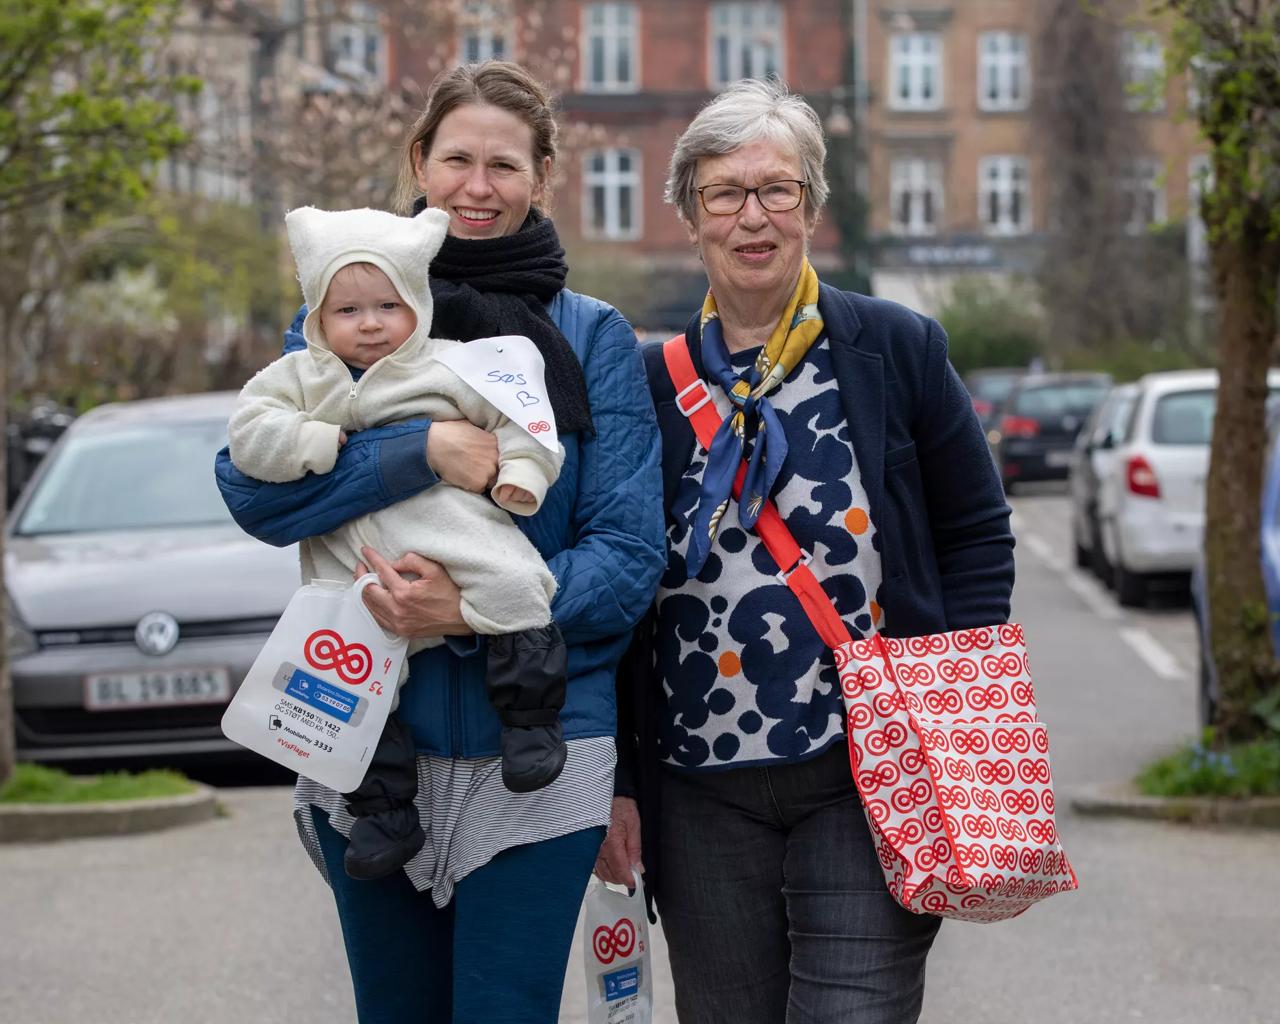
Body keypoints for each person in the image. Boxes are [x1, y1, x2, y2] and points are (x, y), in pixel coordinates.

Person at [214, 60, 665, 1024]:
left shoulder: (591, 339)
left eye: (504, 165)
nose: (477, 185)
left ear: (542, 178)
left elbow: (628, 558)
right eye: (456, 158)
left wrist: (465, 609)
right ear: (419, 163)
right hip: (365, 732)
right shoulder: (346, 319)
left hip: (540, 755)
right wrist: (417, 451)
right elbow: (251, 494)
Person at [602, 78, 1016, 1023]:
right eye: (724, 193)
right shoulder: (643, 384)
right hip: (697, 786)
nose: (754, 216)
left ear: (812, 207)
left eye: (777, 189)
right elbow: (614, 580)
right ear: (689, 215)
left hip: (870, 773)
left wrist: (954, 701)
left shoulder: (895, 349)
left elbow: (976, 532)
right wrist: (619, 781)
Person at [228, 203, 571, 881]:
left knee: (519, 584)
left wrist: (523, 476)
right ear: (318, 317)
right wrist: (310, 440)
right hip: (350, 558)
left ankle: (529, 723)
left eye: (388, 305)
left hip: (453, 534)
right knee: (345, 681)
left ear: (416, 302)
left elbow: (522, 422)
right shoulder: (298, 379)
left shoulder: (449, 367)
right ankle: (384, 814)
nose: (371, 324)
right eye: (347, 310)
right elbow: (249, 436)